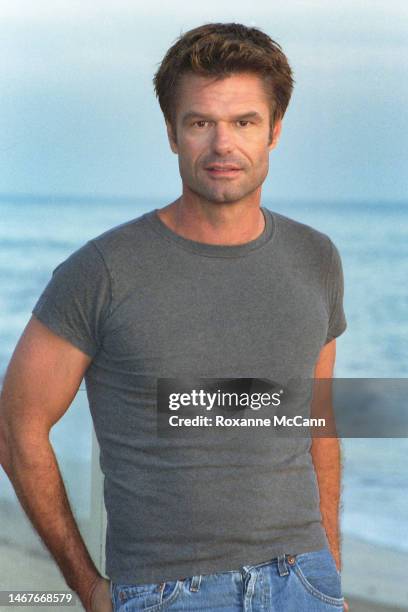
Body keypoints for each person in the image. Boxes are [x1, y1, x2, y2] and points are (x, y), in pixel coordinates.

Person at [0, 22, 348, 612]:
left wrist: (330, 571)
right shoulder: (102, 271)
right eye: (200, 122)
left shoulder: (317, 257)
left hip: (302, 581)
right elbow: (16, 430)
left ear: (275, 131)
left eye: (244, 122)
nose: (222, 145)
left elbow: (317, 419)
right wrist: (89, 589)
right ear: (171, 133)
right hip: (168, 592)